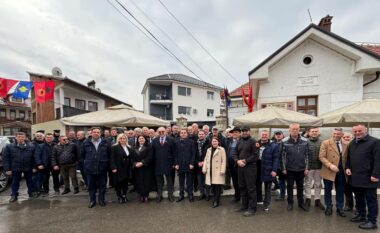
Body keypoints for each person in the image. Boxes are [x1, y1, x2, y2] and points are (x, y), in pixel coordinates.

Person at [346, 124, 380, 230]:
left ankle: (372, 221)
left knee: (371, 200)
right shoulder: (352, 143)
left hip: (369, 177)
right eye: (355, 131)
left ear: (365, 130)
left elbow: (378, 160)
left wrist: (376, 174)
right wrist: (347, 167)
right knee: (359, 198)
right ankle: (361, 215)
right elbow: (348, 158)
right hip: (356, 177)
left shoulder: (375, 142)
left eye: (359, 131)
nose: (357, 133)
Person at [319, 127, 347, 217]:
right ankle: (328, 207)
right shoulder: (326, 143)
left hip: (341, 171)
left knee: (340, 190)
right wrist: (330, 165)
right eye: (334, 134)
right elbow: (321, 157)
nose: (336, 135)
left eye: (338, 134)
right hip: (328, 170)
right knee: (328, 190)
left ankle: (340, 208)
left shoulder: (347, 143)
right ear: (332, 134)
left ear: (342, 135)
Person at [281, 123, 309, 212]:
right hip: (289, 169)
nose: (295, 130)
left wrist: (307, 168)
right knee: (289, 187)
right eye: (293, 129)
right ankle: (290, 203)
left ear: (299, 130)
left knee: (300, 187)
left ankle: (301, 203)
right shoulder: (284, 141)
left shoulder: (305, 141)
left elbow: (308, 155)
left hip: (301, 169)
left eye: (296, 129)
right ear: (289, 130)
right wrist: (283, 168)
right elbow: (282, 156)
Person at [3, 132, 37, 202]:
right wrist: (7, 169)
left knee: (30, 181)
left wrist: (34, 167)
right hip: (15, 168)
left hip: (28, 167)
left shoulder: (31, 146)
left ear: (25, 138)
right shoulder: (9, 146)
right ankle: (14, 195)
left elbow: (34, 158)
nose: (20, 138)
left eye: (22, 137)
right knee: (15, 182)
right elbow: (6, 158)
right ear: (16, 138)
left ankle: (31, 192)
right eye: (19, 137)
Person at [233, 126, 259, 217]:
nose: (244, 132)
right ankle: (244, 205)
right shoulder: (239, 141)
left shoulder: (253, 142)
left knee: (251, 188)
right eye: (243, 131)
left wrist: (245, 161)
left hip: (250, 168)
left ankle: (252, 208)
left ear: (249, 131)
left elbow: (256, 155)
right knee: (242, 187)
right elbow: (235, 153)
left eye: (246, 131)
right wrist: (237, 161)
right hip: (240, 168)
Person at [82, 127, 111, 208]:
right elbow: (82, 155)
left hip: (102, 168)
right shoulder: (86, 143)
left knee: (102, 186)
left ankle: (101, 200)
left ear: (100, 133)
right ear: (91, 133)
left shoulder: (106, 142)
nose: (96, 133)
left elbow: (109, 155)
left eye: (98, 132)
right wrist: (86, 164)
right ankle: (92, 200)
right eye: (94, 132)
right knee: (91, 186)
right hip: (90, 169)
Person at [151, 127, 176, 202]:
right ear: (157, 132)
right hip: (158, 164)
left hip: (168, 164)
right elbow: (152, 153)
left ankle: (170, 195)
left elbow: (174, 152)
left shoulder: (171, 140)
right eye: (159, 132)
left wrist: (174, 163)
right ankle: (159, 195)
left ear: (165, 132)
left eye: (163, 131)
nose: (161, 133)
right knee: (159, 182)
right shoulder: (154, 140)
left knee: (169, 181)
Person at [202, 138, 227, 208]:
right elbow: (206, 160)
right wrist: (204, 168)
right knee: (213, 186)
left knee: (217, 187)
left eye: (216, 141)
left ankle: (216, 201)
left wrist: (222, 170)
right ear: (211, 142)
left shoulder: (222, 149)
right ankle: (215, 199)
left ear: (218, 142)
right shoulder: (208, 150)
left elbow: (223, 161)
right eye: (213, 141)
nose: (214, 142)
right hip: (210, 171)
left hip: (218, 171)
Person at [305, 127, 325, 210]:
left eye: (316, 131)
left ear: (318, 132)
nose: (314, 133)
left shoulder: (322, 142)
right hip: (309, 167)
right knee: (308, 184)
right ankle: (308, 199)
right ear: (309, 133)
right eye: (312, 131)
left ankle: (317, 200)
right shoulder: (305, 142)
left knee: (318, 184)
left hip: (319, 166)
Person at [110, 134, 134, 204]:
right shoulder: (114, 147)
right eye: (121, 138)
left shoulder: (129, 147)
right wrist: (113, 167)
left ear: (126, 139)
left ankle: (124, 195)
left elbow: (131, 157)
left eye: (124, 138)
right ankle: (119, 196)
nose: (122, 140)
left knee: (125, 183)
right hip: (118, 168)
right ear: (118, 139)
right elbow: (112, 159)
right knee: (118, 183)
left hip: (127, 168)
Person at [259, 131, 280, 211]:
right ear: (260, 136)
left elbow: (276, 158)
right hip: (258, 169)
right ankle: (259, 200)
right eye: (262, 134)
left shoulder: (273, 146)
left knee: (268, 188)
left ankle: (266, 204)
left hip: (269, 169)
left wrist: (274, 170)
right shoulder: (256, 144)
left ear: (268, 136)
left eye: (265, 135)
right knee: (258, 186)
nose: (264, 136)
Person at [175, 129, 196, 202]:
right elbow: (175, 154)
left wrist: (192, 163)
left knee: (189, 181)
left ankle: (190, 195)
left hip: (189, 165)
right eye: (181, 133)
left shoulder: (191, 142)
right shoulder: (176, 142)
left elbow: (193, 154)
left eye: (184, 133)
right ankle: (181, 195)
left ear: (187, 134)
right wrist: (176, 164)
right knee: (181, 181)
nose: (183, 134)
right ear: (180, 134)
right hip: (180, 165)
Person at [134, 135, 154, 203]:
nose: (141, 139)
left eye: (142, 138)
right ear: (137, 140)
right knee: (139, 182)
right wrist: (135, 163)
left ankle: (146, 196)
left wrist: (142, 163)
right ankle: (141, 195)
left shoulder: (149, 146)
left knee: (146, 182)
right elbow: (132, 157)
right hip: (137, 168)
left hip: (146, 167)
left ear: (145, 139)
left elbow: (150, 156)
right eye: (139, 138)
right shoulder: (135, 147)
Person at [226, 127, 241, 203]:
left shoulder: (242, 141)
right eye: (233, 132)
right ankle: (237, 196)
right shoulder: (230, 141)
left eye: (236, 132)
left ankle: (241, 196)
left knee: (240, 181)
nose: (234, 133)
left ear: (239, 133)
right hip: (231, 164)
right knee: (234, 181)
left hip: (238, 164)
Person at [195, 129, 211, 201]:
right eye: (199, 134)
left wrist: (204, 162)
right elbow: (194, 154)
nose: (201, 135)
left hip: (206, 165)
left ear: (204, 135)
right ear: (198, 135)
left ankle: (207, 194)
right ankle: (202, 193)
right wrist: (198, 162)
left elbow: (210, 154)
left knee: (206, 180)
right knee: (200, 181)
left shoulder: (209, 142)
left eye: (202, 134)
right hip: (198, 165)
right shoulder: (195, 143)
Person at [342, 132, 355, 211]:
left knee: (358, 191)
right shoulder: (341, 146)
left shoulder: (355, 145)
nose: (346, 138)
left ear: (351, 137)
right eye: (344, 137)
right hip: (345, 171)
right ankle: (349, 205)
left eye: (348, 137)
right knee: (347, 190)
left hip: (355, 171)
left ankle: (359, 207)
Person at [272, 130, 286, 201]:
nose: (278, 135)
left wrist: (285, 167)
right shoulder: (272, 144)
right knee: (271, 178)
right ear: (274, 136)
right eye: (276, 134)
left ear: (282, 135)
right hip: (274, 165)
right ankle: (276, 186)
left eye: (279, 134)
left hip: (282, 166)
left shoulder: (285, 143)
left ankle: (282, 196)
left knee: (282, 181)